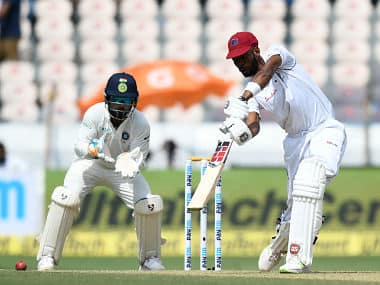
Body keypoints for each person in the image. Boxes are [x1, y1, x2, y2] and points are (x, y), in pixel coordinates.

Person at [221, 32, 347, 273]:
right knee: (296, 202)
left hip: (324, 129)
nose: (239, 64)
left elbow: (266, 72)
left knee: (311, 179)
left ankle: (298, 259)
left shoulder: (277, 55)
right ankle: (280, 244)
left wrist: (244, 95)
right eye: (235, 60)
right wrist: (239, 131)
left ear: (255, 50)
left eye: (242, 57)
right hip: (294, 143)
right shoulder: (251, 93)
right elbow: (254, 125)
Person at [37, 72, 165, 271]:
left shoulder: (141, 122)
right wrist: (91, 149)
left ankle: (150, 259)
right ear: (107, 99)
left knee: (149, 204)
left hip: (122, 171)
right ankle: (47, 256)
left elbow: (140, 156)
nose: (121, 106)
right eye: (117, 100)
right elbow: (79, 144)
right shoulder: (95, 113)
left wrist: (130, 162)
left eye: (126, 101)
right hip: (90, 164)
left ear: (134, 101)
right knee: (66, 198)